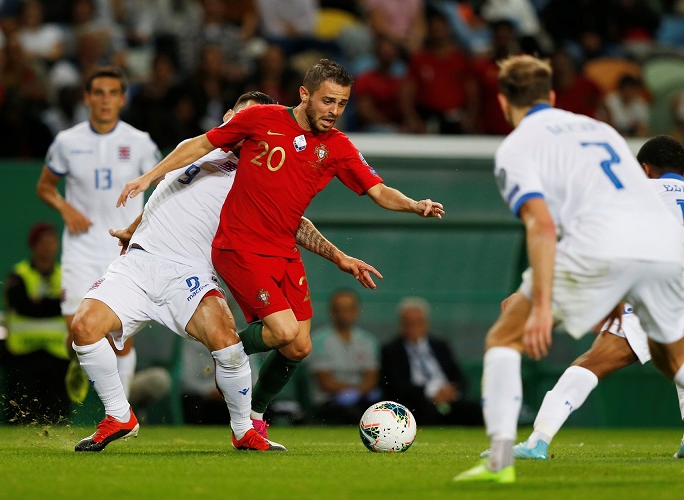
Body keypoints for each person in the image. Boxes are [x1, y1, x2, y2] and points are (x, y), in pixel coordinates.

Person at [117, 58, 445, 444]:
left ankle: (254, 415)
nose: (334, 111)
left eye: (342, 103)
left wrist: (413, 205)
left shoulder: (338, 147)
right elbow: (201, 144)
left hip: (284, 252)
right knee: (283, 330)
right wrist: (148, 177)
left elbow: (378, 191)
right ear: (305, 94)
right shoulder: (262, 119)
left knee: (299, 346)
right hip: (239, 247)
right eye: (327, 101)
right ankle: (228, 349)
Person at [453, 55, 684, 484]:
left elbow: (560, 226)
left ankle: (527, 445)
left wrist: (551, 298)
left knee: (577, 354)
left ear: (502, 101)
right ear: (552, 96)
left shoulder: (521, 149)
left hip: (655, 273)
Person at [72, 91, 382, 452]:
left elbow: (293, 223)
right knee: (83, 327)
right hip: (139, 263)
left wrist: (338, 255)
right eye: (242, 117)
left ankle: (243, 430)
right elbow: (171, 191)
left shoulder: (259, 169)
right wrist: (133, 228)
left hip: (190, 272)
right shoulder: (201, 149)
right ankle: (118, 415)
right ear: (228, 117)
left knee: (228, 345)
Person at [499, 136, 684, 460]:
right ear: (683, 171)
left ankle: (537, 440)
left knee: (594, 360)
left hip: (676, 288)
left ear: (644, 169)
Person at [36, 66, 161, 406]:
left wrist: (140, 226)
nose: (105, 100)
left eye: (112, 93)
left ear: (122, 99)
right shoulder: (67, 142)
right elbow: (45, 186)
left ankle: (121, 414)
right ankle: (78, 361)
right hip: (80, 251)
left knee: (121, 340)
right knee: (77, 334)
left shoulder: (139, 143)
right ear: (87, 98)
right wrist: (65, 208)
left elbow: (163, 185)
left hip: (122, 255)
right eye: (99, 93)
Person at [1, 222, 69, 425]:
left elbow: (72, 304)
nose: (47, 247)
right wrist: (54, 303)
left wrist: (41, 302)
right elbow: (23, 306)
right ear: (33, 245)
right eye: (42, 242)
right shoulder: (19, 275)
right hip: (23, 354)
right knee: (22, 413)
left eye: (51, 241)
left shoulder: (65, 275)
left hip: (57, 354)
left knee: (58, 415)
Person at [380, 297, 482, 426]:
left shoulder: (440, 346)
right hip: (419, 403)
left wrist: (451, 390)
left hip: (449, 399)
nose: (413, 327)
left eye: (418, 322)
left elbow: (459, 378)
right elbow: (396, 386)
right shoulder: (391, 350)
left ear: (426, 322)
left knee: (477, 411)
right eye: (408, 323)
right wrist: (430, 393)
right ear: (401, 324)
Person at [308, 289, 380, 424]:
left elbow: (371, 377)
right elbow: (325, 382)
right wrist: (353, 390)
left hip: (362, 399)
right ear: (332, 311)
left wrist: (358, 393)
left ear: (356, 310)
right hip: (329, 402)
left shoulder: (367, 340)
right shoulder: (318, 339)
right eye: (339, 309)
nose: (343, 314)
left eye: (348, 309)